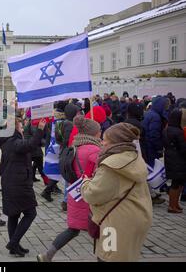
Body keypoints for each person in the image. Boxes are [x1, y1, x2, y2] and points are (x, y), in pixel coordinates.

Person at [81, 123, 152, 262]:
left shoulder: (111, 165)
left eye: (105, 139)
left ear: (115, 142)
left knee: (109, 257)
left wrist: (85, 182)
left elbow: (92, 194)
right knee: (125, 256)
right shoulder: (135, 156)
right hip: (136, 217)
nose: (102, 142)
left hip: (115, 224)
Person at [37, 116, 102, 262]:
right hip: (90, 197)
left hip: (75, 194)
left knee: (73, 230)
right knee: (105, 229)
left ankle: (48, 255)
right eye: (99, 131)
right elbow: (101, 175)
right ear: (93, 134)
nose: (101, 133)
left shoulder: (75, 147)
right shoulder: (95, 151)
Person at [0, 116, 46, 257]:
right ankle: (13, 243)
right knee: (31, 213)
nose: (23, 128)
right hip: (18, 184)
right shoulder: (14, 142)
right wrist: (40, 130)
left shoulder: (7, 141)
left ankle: (15, 246)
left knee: (14, 214)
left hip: (10, 181)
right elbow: (31, 145)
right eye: (20, 126)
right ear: (15, 129)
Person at [125, 102, 165, 205]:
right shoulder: (137, 123)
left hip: (133, 153)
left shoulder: (128, 122)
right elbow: (138, 141)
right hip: (139, 152)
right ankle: (147, 197)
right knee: (142, 175)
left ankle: (150, 195)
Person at [163, 109, 186, 213]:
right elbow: (183, 148)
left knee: (177, 182)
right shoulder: (178, 131)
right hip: (178, 159)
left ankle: (175, 204)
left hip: (170, 157)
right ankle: (172, 205)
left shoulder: (167, 129)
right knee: (176, 183)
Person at [142, 96, 169, 168]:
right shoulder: (156, 117)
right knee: (152, 167)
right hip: (151, 147)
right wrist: (159, 147)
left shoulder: (149, 113)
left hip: (146, 145)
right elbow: (154, 135)